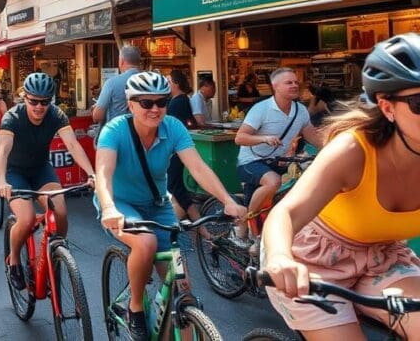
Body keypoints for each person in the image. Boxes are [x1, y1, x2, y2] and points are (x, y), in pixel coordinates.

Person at [263, 33, 420, 339]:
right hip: (313, 261)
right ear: (387, 107)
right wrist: (280, 258)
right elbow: (286, 213)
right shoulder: (353, 151)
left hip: (383, 257)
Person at [94, 72, 246, 341]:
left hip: (157, 204)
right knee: (146, 243)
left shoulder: (173, 127)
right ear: (130, 104)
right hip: (119, 203)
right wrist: (108, 208)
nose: (155, 109)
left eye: (162, 102)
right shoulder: (114, 130)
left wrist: (228, 200)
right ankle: (136, 308)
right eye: (146, 103)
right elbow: (103, 176)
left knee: (181, 290)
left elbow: (198, 168)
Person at [0, 72, 96, 291]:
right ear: (25, 98)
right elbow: (2, 152)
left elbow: (73, 145)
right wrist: (1, 180)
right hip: (14, 173)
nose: (39, 107)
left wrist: (91, 173)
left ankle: (58, 251)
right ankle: (13, 262)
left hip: (41, 170)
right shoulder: (12, 117)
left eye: (45, 102)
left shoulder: (56, 115)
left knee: (60, 211)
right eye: (34, 101)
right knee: (26, 218)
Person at [235, 68, 324, 247]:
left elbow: (313, 136)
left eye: (295, 82)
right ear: (275, 86)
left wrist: (331, 149)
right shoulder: (262, 109)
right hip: (250, 161)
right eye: (288, 82)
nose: (294, 85)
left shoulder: (300, 111)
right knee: (273, 182)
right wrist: (264, 138)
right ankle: (245, 225)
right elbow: (240, 138)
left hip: (278, 162)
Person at [164, 70, 200, 224]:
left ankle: (179, 222)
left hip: (175, 151)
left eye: (169, 81)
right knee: (176, 187)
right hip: (176, 150)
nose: (166, 85)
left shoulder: (178, 102)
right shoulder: (179, 100)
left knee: (174, 186)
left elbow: (173, 128)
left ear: (176, 83)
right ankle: (196, 223)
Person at [92, 45, 141, 126]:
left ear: (121, 61)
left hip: (117, 132)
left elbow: (97, 116)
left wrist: (95, 109)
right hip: (142, 132)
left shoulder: (112, 82)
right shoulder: (150, 81)